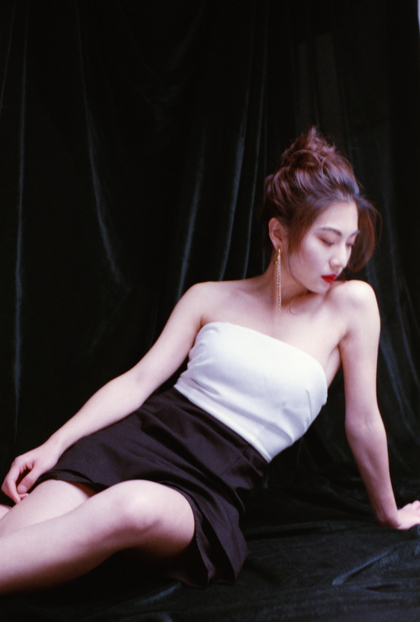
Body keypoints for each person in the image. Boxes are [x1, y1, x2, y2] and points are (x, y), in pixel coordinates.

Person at [1, 127, 420, 594]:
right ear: (279, 233)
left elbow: (363, 421)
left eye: (350, 241)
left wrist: (388, 512)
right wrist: (55, 445)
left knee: (128, 509)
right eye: (327, 240)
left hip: (210, 484)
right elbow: (138, 381)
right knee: (13, 528)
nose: (341, 258)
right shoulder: (208, 297)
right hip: (136, 440)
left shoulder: (351, 305)